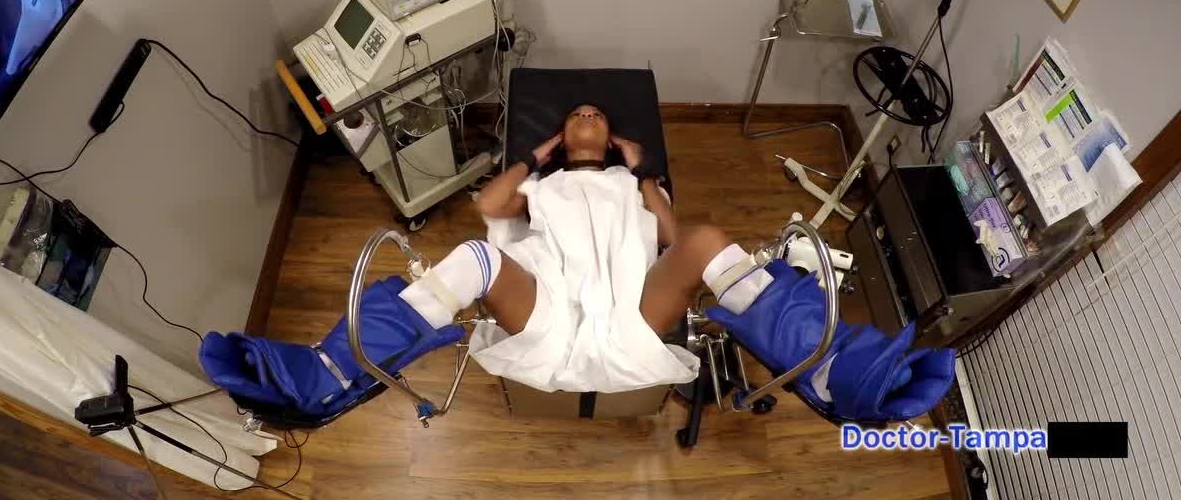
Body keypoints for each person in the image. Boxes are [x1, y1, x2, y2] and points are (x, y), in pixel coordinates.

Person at [202, 105, 956, 422]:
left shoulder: (635, 183)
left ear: (614, 137)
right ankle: (328, 373)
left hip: (631, 308)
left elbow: (671, 238)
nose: (588, 117)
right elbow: (490, 206)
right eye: (576, 117)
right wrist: (538, 156)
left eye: (597, 115)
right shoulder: (542, 183)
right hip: (552, 308)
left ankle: (830, 370)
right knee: (474, 256)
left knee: (703, 239)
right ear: (564, 139)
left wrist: (642, 169)